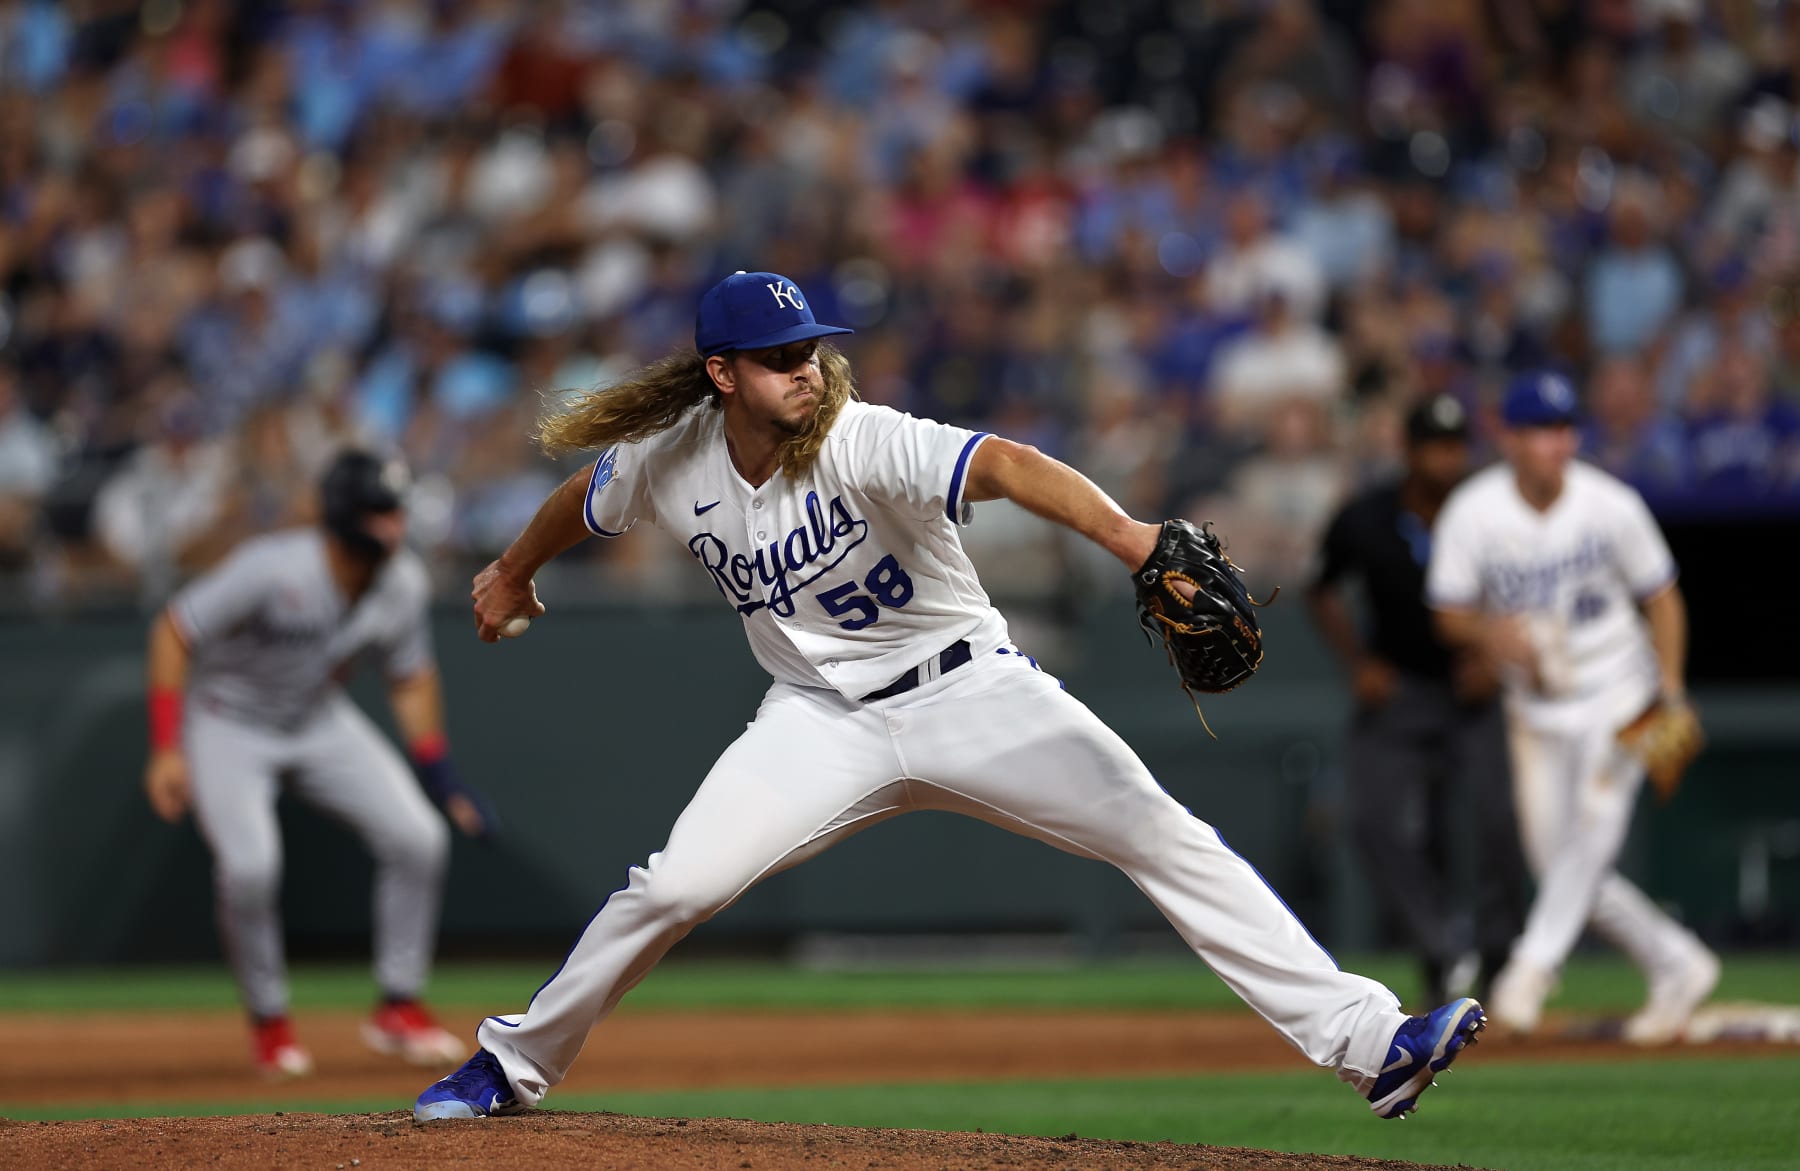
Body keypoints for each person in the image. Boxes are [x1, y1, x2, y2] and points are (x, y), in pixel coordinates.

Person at [413, 270, 1485, 1123]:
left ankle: (1370, 1043)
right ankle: (509, 1066)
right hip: (816, 724)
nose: (807, 366)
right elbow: (580, 497)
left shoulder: (861, 433)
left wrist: (1132, 539)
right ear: (722, 373)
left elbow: (1010, 464)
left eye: (811, 347)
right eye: (781, 357)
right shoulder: (674, 461)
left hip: (970, 692)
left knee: (1163, 832)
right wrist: (513, 572)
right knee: (673, 888)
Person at [142, 449, 495, 1077]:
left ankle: (399, 1004)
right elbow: (174, 629)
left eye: (396, 511)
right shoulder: (273, 568)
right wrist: (168, 747)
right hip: (228, 722)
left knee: (418, 838)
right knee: (250, 868)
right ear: (344, 514)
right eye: (378, 511)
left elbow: (411, 679)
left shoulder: (402, 582)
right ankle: (271, 1022)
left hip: (316, 718)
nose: (392, 525)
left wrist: (443, 778)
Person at [1426, 371, 1720, 1044]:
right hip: (1534, 706)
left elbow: (1663, 596)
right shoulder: (1475, 511)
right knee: (1563, 863)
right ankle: (1678, 961)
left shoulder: (1609, 503)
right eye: (1540, 431)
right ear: (1509, 437)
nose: (1555, 444)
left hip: (1622, 690)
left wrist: (1670, 688)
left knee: (1593, 826)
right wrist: (1486, 632)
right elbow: (1447, 611)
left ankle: (1529, 970)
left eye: (1563, 430)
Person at [1308, 394, 1527, 1010]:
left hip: (1471, 689)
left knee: (1500, 823)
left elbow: (1526, 583)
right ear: (1408, 451)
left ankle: (1499, 959)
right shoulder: (1368, 517)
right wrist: (1358, 663)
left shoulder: (1488, 513)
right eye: (1434, 446)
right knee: (1376, 821)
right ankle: (1438, 948)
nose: (1446, 459)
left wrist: (1492, 658)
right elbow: (1320, 589)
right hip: (1400, 688)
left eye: (1455, 447)